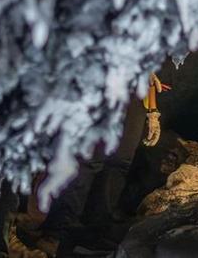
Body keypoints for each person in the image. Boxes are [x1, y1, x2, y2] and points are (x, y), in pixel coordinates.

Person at [18, 73, 169, 256]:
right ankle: (57, 233)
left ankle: (93, 232)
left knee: (119, 162)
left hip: (134, 93)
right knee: (88, 161)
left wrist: (153, 111)